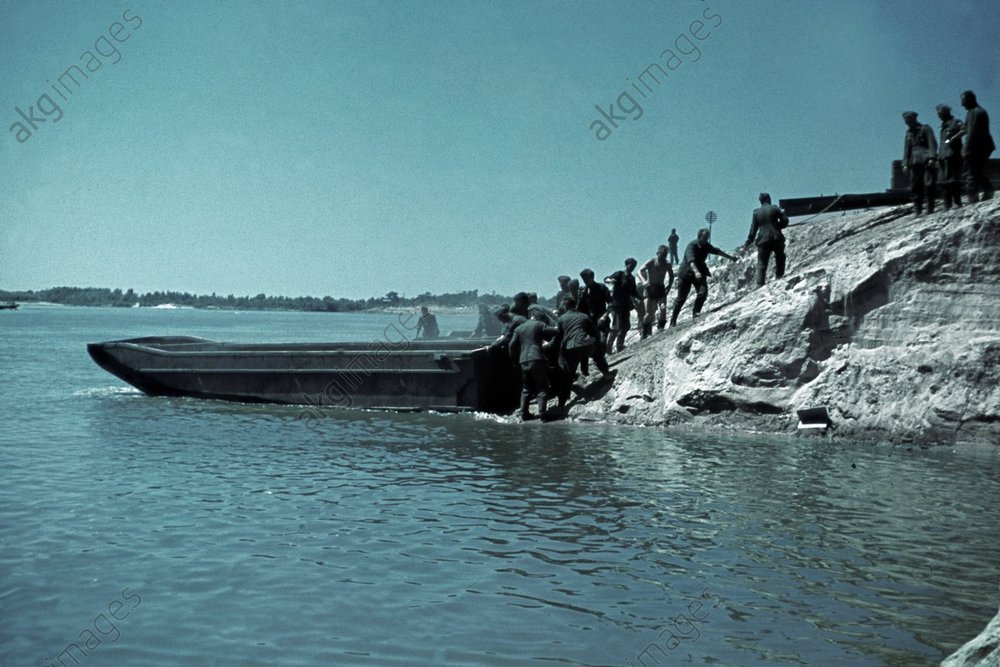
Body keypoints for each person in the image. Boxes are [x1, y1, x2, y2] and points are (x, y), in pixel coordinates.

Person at [669, 228, 737, 327]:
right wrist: (696, 272)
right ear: (699, 236)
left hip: (699, 272)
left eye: (707, 238)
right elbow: (691, 261)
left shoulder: (706, 246)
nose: (706, 240)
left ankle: (696, 312)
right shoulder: (692, 245)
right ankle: (673, 320)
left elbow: (717, 251)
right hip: (686, 273)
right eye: (704, 237)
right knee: (681, 298)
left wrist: (731, 257)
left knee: (703, 292)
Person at [552, 296, 610, 408]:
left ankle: (562, 403)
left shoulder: (562, 319)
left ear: (565, 306)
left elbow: (558, 337)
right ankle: (606, 374)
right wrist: (598, 344)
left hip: (571, 347)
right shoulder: (583, 316)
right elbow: (595, 331)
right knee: (597, 355)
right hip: (585, 344)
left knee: (568, 375)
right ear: (575, 305)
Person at [508, 309, 557, 420]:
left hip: (523, 360)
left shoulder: (519, 328)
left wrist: (514, 360)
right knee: (542, 386)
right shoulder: (539, 324)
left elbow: (511, 345)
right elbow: (554, 332)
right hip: (536, 358)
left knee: (526, 388)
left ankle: (524, 413)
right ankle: (542, 414)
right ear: (538, 317)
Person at [745, 192, 790, 287]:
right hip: (776, 237)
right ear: (769, 199)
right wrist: (778, 226)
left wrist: (749, 240)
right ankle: (779, 276)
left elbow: (753, 229)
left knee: (762, 263)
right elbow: (785, 220)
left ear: (760, 201)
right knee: (780, 257)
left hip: (763, 240)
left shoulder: (756, 212)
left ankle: (760, 284)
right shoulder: (775, 208)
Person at [960, 90, 995, 202]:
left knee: (971, 172)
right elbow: (965, 129)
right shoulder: (970, 112)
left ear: (970, 100)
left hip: (979, 147)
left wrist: (965, 149)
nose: (962, 104)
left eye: (963, 101)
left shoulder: (978, 112)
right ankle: (988, 190)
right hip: (978, 146)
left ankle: (973, 198)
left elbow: (972, 133)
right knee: (976, 171)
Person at [902, 111, 939, 215]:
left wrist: (932, 157)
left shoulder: (925, 128)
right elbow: (907, 149)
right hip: (914, 162)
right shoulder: (908, 133)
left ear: (913, 119)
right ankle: (917, 211)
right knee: (915, 186)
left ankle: (930, 209)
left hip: (926, 160)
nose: (906, 123)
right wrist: (905, 163)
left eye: (908, 120)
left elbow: (932, 143)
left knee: (929, 184)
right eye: (905, 121)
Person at [639, 245, 674, 334]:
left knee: (663, 309)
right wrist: (644, 281)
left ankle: (660, 329)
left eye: (665, 255)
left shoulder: (667, 264)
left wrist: (669, 287)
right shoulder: (652, 261)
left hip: (660, 289)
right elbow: (639, 271)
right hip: (650, 288)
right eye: (661, 254)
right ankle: (644, 332)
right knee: (649, 314)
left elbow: (671, 276)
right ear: (658, 253)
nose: (663, 256)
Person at [937, 104, 964, 210]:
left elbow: (964, 130)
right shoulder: (943, 125)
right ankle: (946, 204)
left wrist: (953, 138)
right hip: (942, 155)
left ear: (945, 112)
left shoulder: (955, 122)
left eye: (940, 113)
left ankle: (957, 202)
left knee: (952, 180)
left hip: (952, 154)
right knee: (943, 181)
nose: (939, 116)